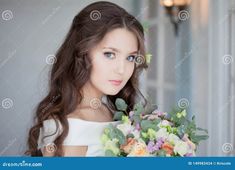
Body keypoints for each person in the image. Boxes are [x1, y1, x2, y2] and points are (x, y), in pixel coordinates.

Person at [25, 1, 148, 157]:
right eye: (109, 54)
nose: (121, 69)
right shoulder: (69, 127)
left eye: (130, 57)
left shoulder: (111, 111)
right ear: (82, 54)